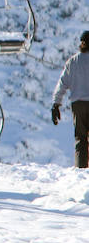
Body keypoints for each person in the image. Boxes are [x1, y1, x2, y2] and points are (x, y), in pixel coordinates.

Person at [51, 30, 89, 168]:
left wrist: (56, 104)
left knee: (81, 139)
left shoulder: (72, 62)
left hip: (78, 105)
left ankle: (81, 170)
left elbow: (62, 84)